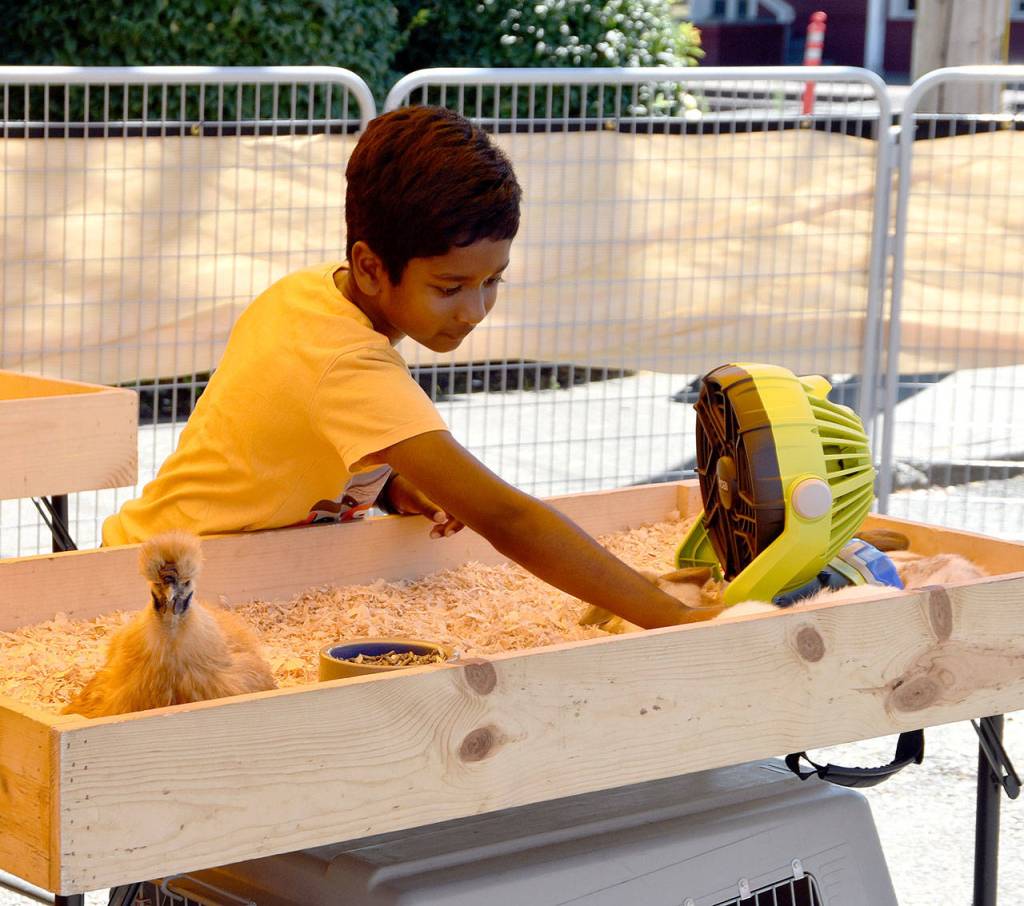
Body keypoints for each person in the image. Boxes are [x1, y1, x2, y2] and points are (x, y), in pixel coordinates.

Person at [103, 105, 711, 629]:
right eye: (450, 287)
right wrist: (672, 617)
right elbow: (503, 516)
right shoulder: (346, 359)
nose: (475, 310)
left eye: (493, 280)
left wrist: (390, 482)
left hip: (214, 574)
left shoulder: (312, 293)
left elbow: (284, 439)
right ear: (370, 267)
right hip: (150, 593)